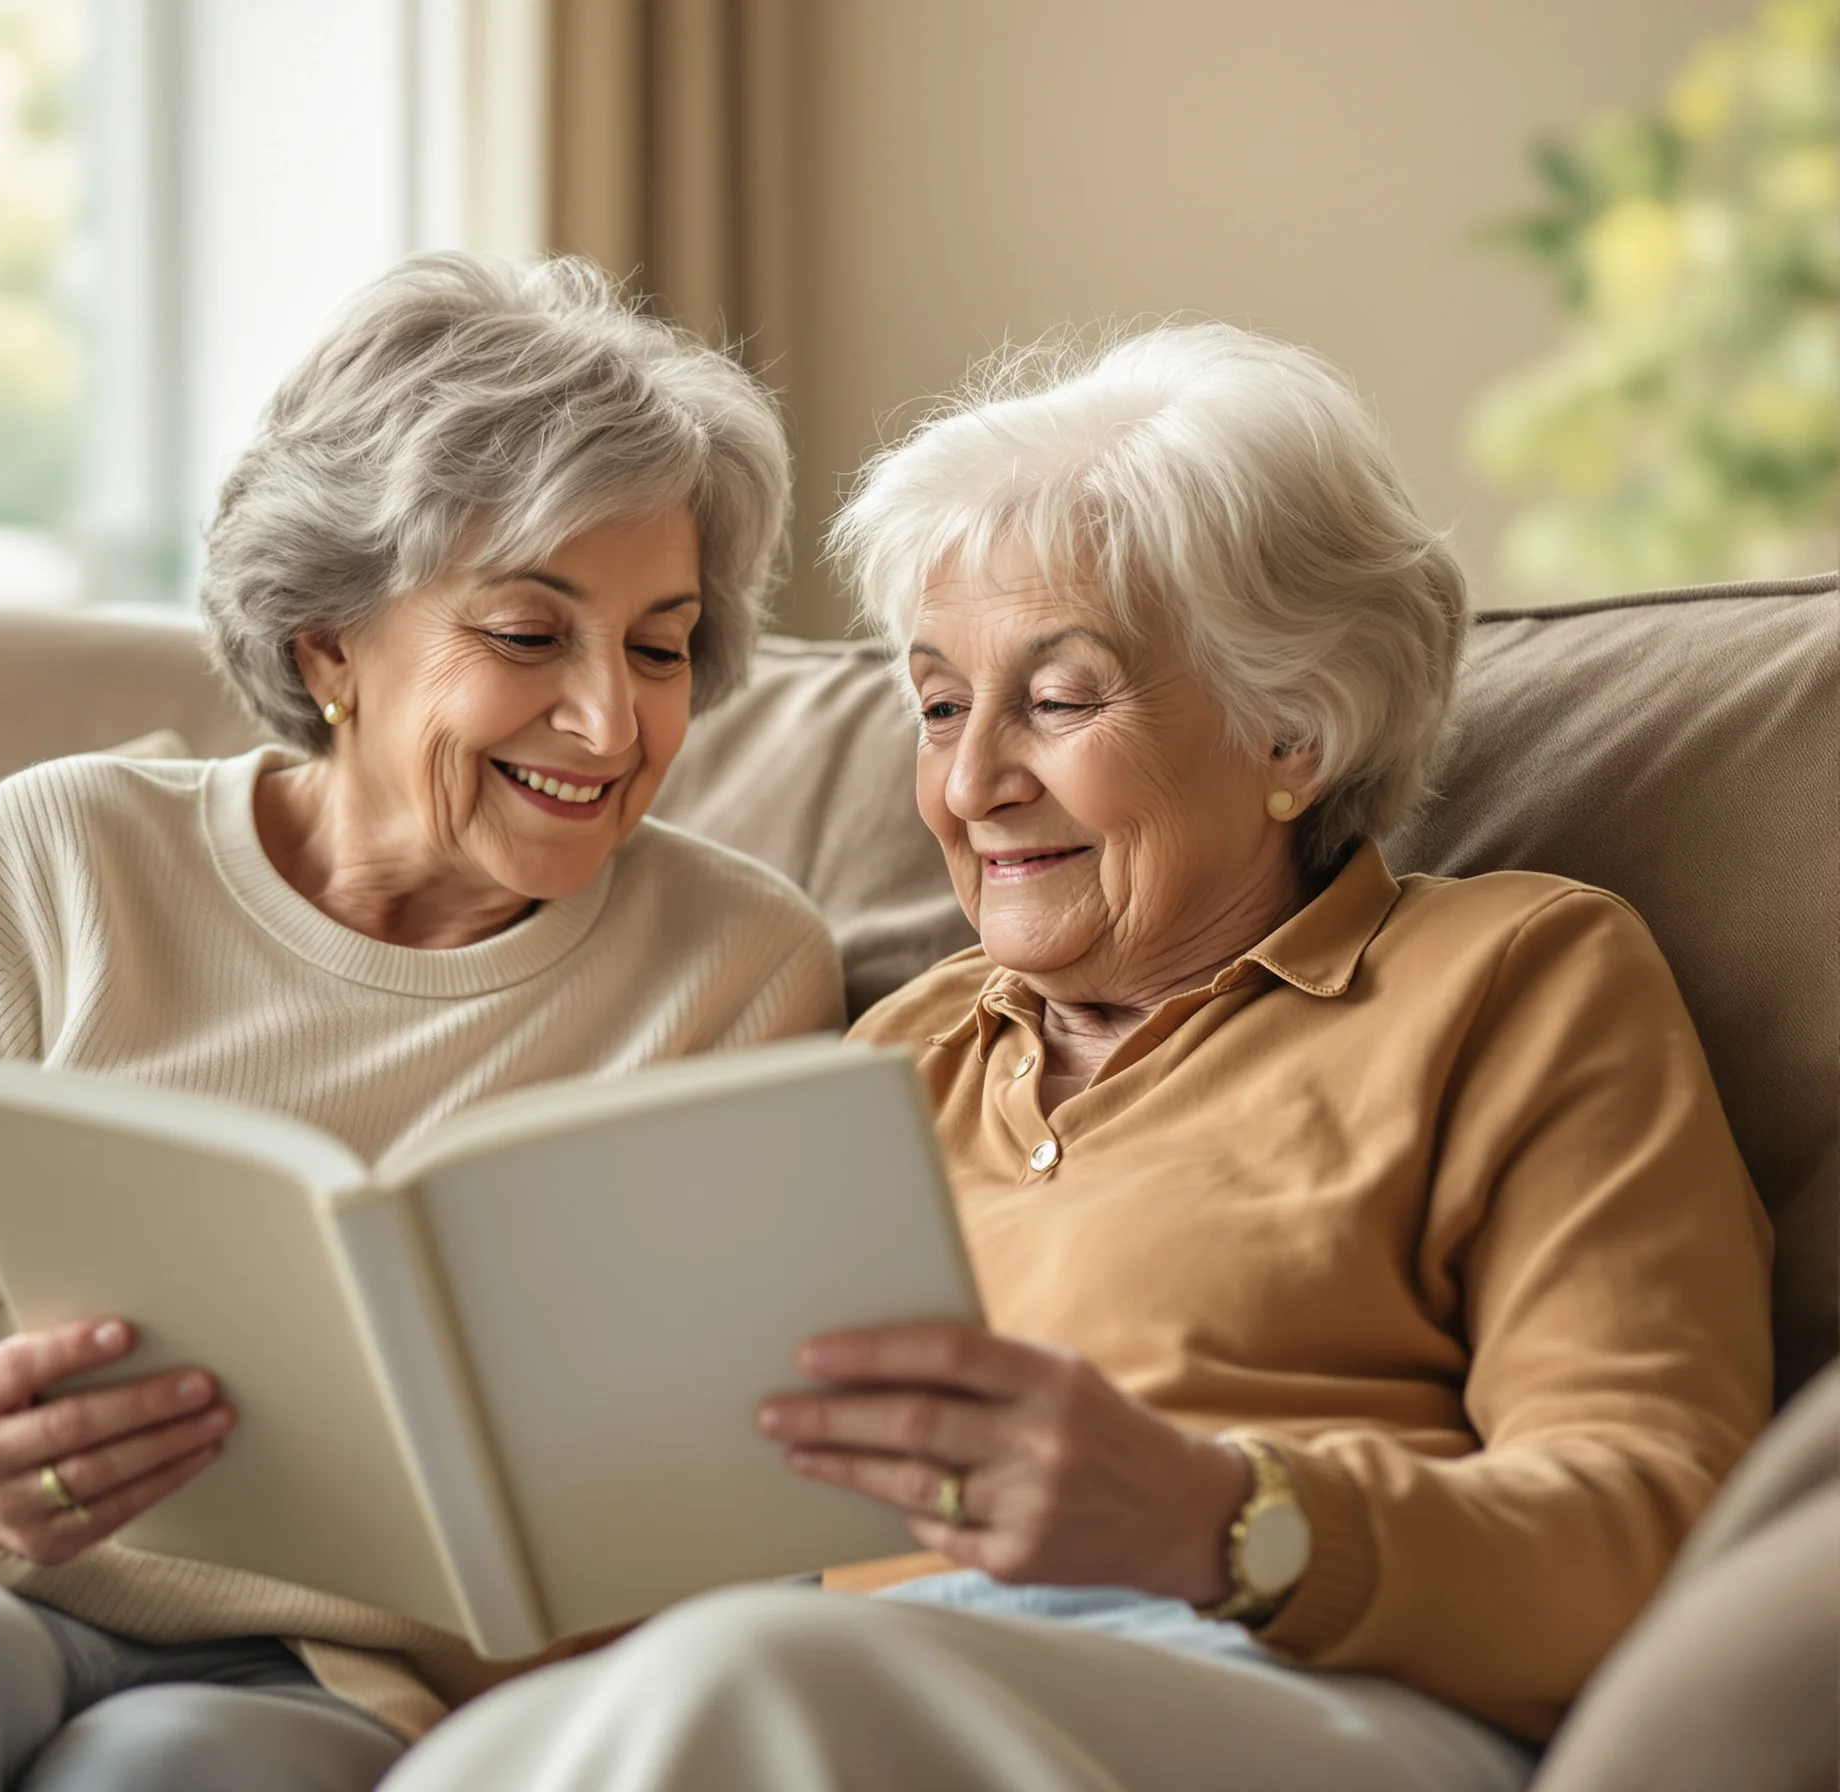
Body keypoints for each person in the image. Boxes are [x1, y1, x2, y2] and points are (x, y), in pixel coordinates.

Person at [0, 253, 843, 1792]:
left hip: (302, 1683)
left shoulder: (736, 970)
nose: (612, 722)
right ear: (328, 643)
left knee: (190, 1766)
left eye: (660, 646)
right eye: (529, 636)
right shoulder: (64, 861)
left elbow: (701, 1537)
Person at [375, 324, 1774, 1792]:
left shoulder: (1513, 978)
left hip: (1309, 1690)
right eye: (936, 706)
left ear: (1290, 727)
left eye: (1057, 699)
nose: (971, 785)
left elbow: (1655, 1520)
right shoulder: (886, 1060)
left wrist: (1218, 1515)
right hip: (873, 1697)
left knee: (756, 1680)